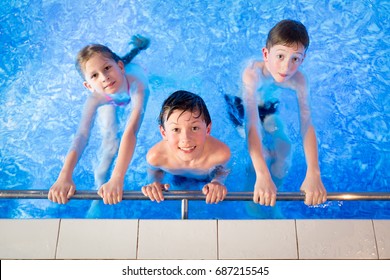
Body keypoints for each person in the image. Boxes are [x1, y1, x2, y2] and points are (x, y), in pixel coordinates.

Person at [225, 19, 327, 206]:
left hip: (268, 106)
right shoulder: (252, 75)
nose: (286, 67)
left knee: (285, 148)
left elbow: (307, 123)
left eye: (295, 59)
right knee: (262, 153)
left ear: (303, 59)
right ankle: (254, 199)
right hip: (240, 106)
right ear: (266, 54)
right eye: (280, 56)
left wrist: (314, 172)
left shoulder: (299, 80)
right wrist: (262, 174)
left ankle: (272, 197)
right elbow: (252, 125)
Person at [48, 35, 150, 205]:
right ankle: (100, 193)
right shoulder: (96, 98)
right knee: (110, 144)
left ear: (120, 67)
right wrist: (64, 175)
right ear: (88, 86)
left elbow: (131, 131)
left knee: (121, 137)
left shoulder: (137, 85)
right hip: (110, 99)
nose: (104, 77)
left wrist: (118, 177)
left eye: (107, 68)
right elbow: (81, 136)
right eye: (94, 76)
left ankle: (137, 48)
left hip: (128, 90)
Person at [142, 90, 231, 204]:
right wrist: (154, 183)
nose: (186, 139)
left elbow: (222, 171)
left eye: (194, 128)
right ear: (164, 133)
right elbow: (154, 172)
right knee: (177, 184)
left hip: (206, 178)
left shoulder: (220, 154)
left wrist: (218, 182)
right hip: (175, 176)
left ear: (207, 129)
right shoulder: (156, 156)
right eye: (176, 129)